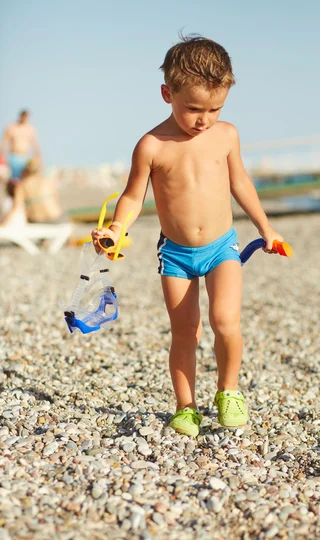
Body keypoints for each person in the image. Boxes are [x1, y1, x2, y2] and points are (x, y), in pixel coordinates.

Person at [91, 35, 284, 438]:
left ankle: (228, 391)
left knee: (225, 320)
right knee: (186, 332)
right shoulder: (151, 145)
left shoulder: (226, 135)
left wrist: (266, 228)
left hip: (221, 247)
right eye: (193, 109)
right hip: (176, 255)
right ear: (167, 93)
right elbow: (131, 197)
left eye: (215, 109)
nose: (204, 120)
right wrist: (115, 230)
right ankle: (186, 406)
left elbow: (241, 183)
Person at [0, 157, 66, 227]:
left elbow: (16, 207)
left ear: (25, 171)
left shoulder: (23, 185)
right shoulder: (48, 182)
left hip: (37, 221)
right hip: (56, 218)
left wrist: (3, 224)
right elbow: (56, 200)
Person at [1, 110, 41, 181]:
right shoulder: (12, 128)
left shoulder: (30, 129)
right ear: (20, 117)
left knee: (26, 178)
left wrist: (38, 157)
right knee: (14, 180)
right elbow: (5, 143)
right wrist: (2, 157)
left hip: (25, 157)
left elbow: (35, 144)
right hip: (14, 157)